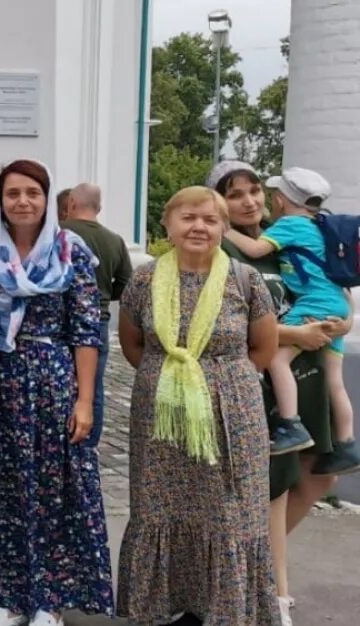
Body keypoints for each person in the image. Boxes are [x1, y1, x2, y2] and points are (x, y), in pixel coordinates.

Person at [117, 186, 279, 626]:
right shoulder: (145, 280)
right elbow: (133, 343)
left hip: (231, 419)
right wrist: (169, 384)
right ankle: (163, 606)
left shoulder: (245, 280)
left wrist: (223, 384)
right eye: (188, 217)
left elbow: (263, 348)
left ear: (224, 228)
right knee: (159, 508)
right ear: (167, 224)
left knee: (229, 511)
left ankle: (223, 609)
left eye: (210, 220)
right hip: (160, 420)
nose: (199, 227)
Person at [211, 160, 351, 626]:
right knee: (277, 485)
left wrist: (340, 324)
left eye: (254, 190)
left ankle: (253, 567)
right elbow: (227, 325)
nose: (249, 201)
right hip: (263, 385)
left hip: (311, 377)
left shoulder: (287, 236)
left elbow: (338, 292)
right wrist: (297, 336)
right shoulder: (227, 253)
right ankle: (277, 595)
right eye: (235, 195)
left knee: (321, 477)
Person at [0, 161, 113, 626]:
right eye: (12, 193)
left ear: (48, 197)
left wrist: (84, 401)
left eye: (32, 192)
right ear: (0, 200)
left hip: (53, 381)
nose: (22, 202)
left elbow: (87, 331)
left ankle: (48, 601)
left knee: (53, 491)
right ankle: (4, 597)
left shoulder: (70, 250)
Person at [224, 167, 359, 464]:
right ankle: (347, 445)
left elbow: (256, 248)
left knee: (276, 359)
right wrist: (347, 320)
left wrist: (224, 227)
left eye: (272, 196)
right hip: (335, 303)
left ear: (282, 200)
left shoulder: (290, 226)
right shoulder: (321, 226)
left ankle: (290, 424)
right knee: (335, 380)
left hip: (315, 305)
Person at [61, 182, 133, 446]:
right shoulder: (115, 240)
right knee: (93, 387)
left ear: (70, 204)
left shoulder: (60, 233)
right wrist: (103, 295)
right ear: (99, 207)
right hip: (99, 321)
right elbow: (127, 283)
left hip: (60, 321)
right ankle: (88, 444)